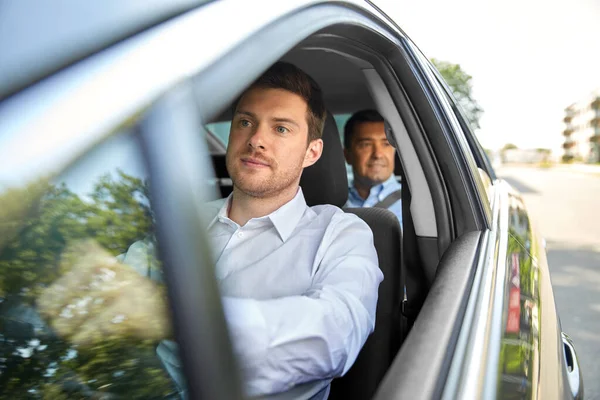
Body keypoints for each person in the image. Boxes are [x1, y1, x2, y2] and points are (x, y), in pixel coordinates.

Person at [40, 62, 383, 400]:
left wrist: (176, 315)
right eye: (246, 122)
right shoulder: (182, 220)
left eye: (281, 129)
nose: (256, 140)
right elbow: (112, 282)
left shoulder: (342, 233)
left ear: (312, 152)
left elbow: (336, 334)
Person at [343, 110, 402, 225]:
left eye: (386, 144)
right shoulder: (330, 205)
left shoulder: (414, 204)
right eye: (366, 145)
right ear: (347, 155)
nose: (377, 154)